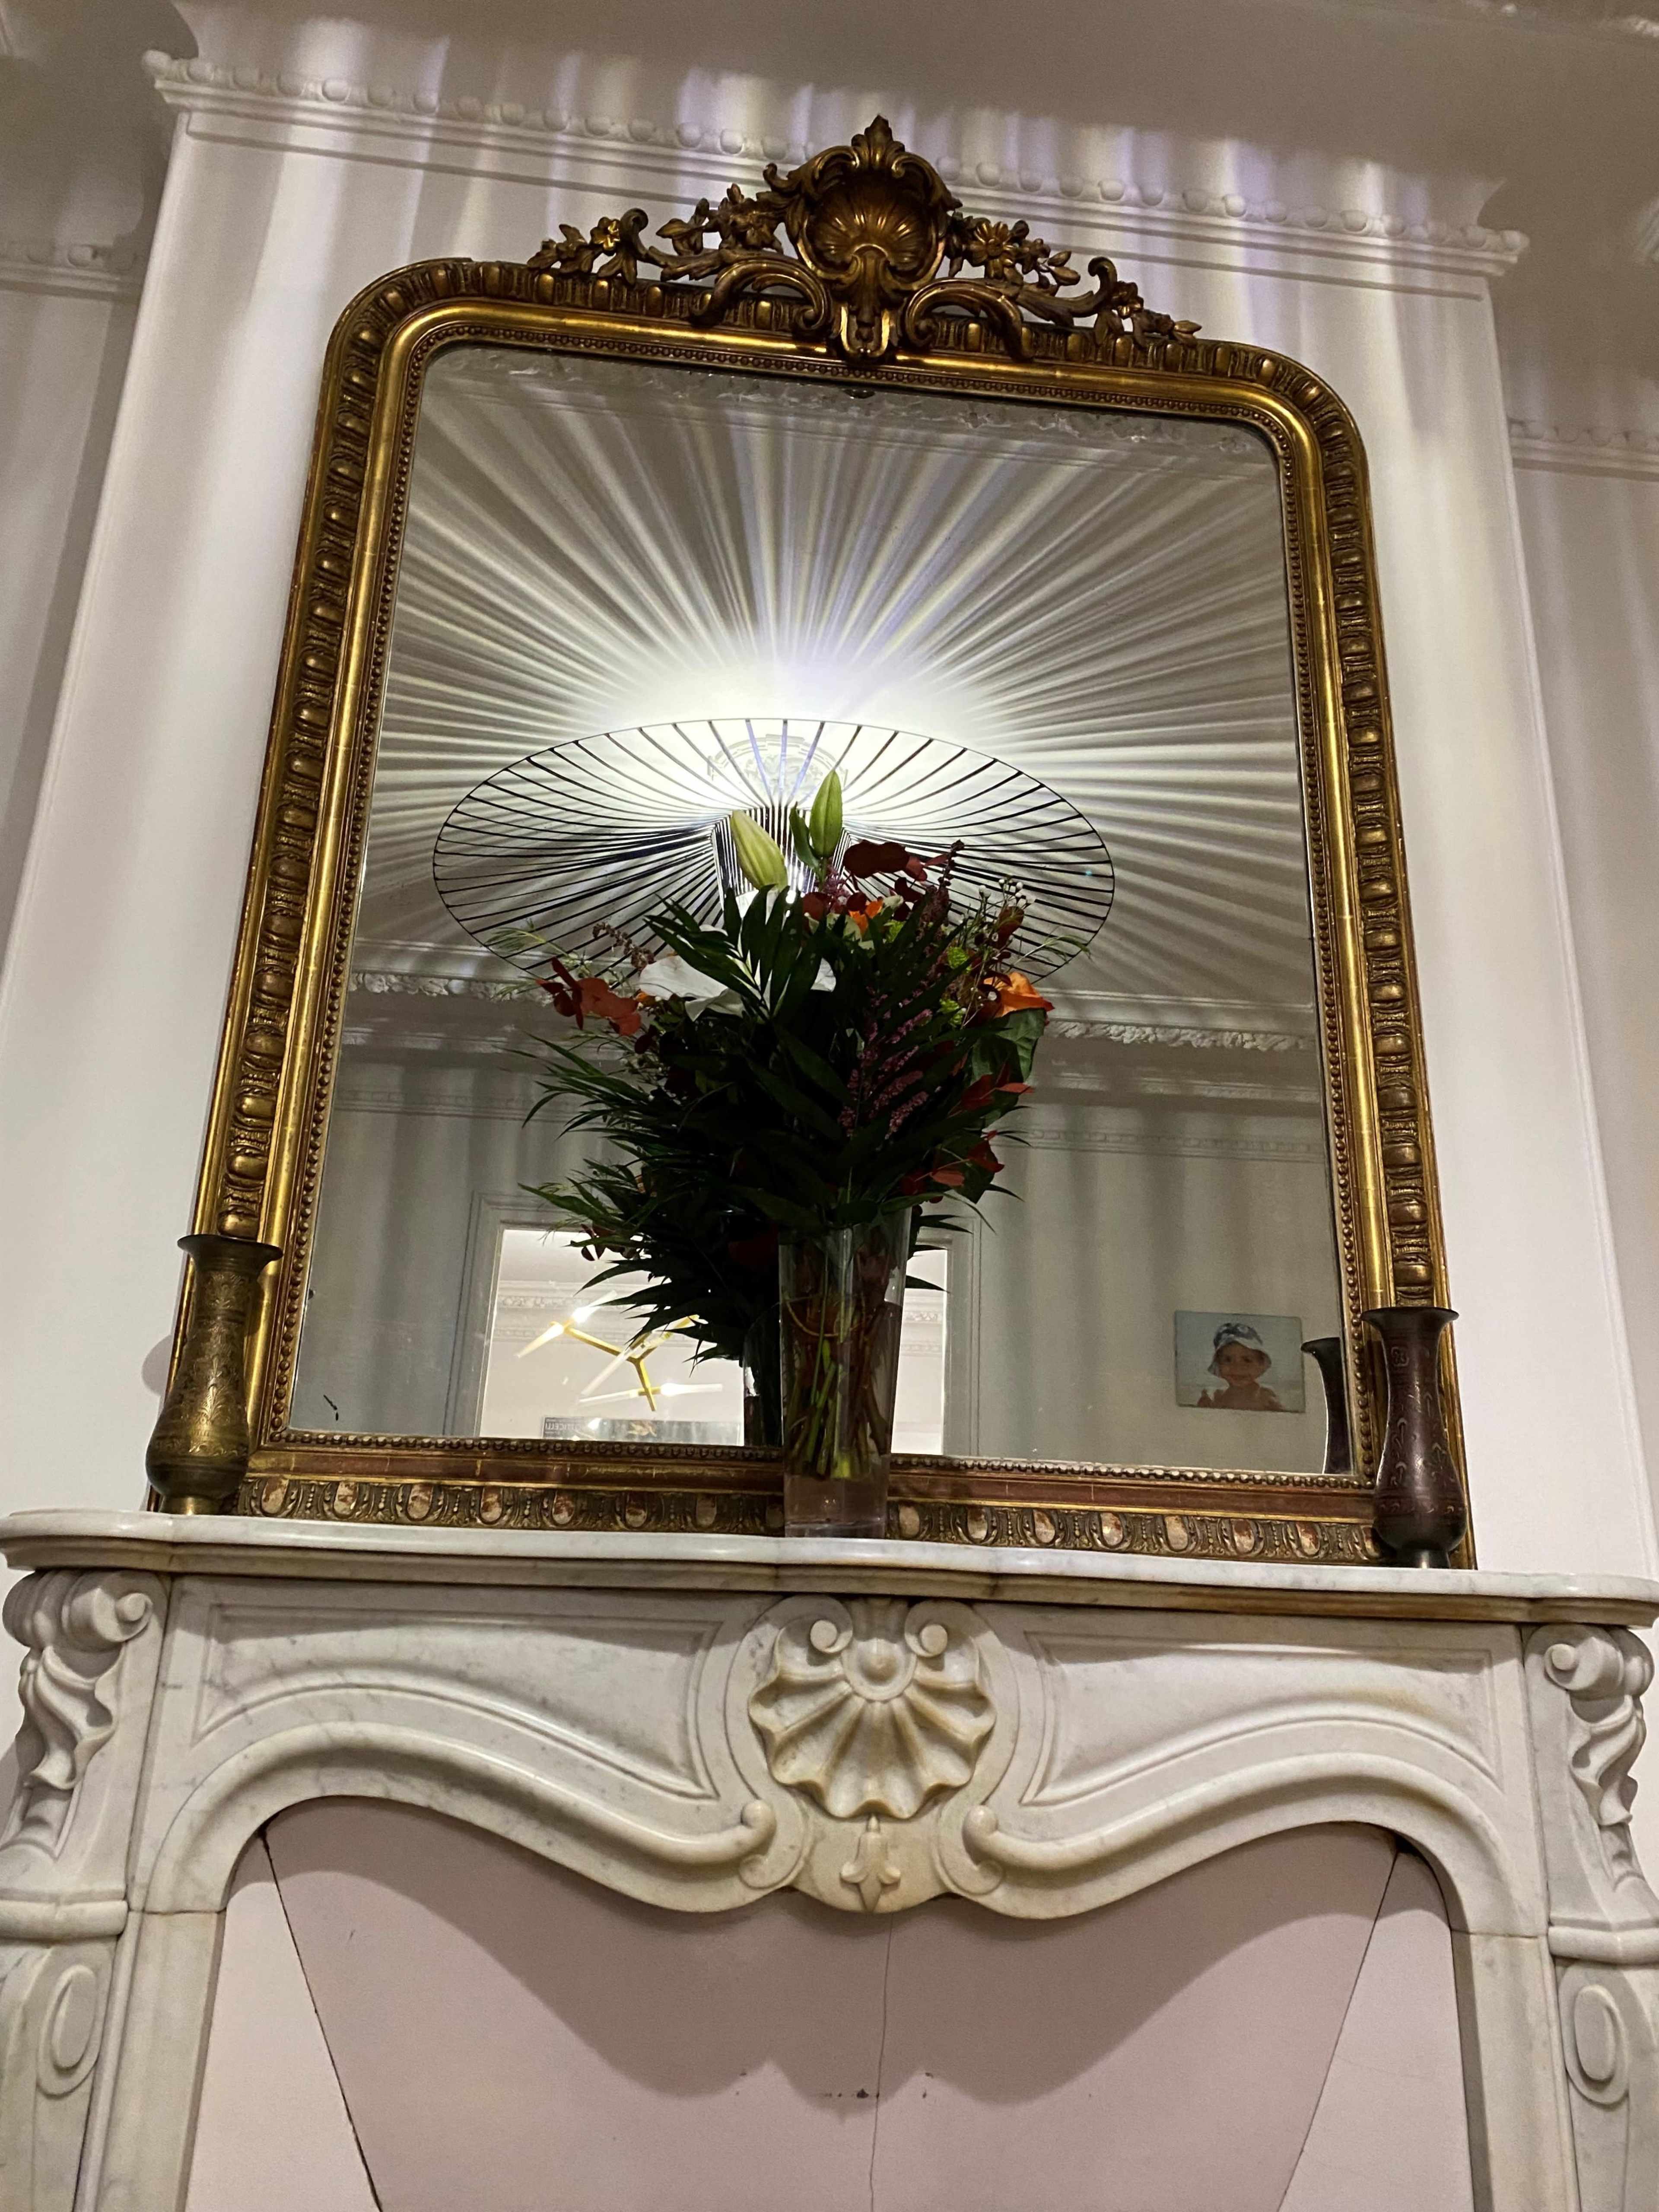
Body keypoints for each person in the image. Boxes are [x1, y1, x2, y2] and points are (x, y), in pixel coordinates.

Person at [1197, 1321, 1284, 1411]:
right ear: (1219, 1365)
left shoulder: (1265, 1396)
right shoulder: (1217, 1397)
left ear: (1261, 1365)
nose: (1237, 1368)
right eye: (1228, 1360)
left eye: (1247, 1360)